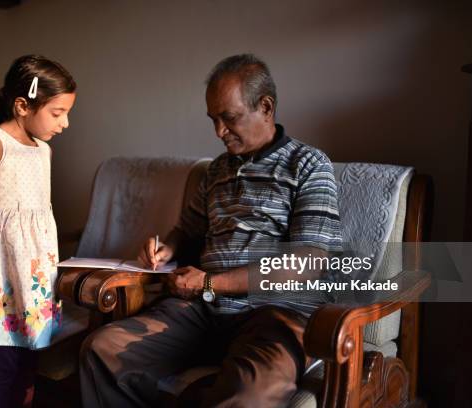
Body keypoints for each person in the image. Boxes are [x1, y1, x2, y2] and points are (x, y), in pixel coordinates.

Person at [80, 54, 342, 407]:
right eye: (214, 120)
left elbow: (307, 264)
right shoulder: (216, 170)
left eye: (229, 118)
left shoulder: (308, 165)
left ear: (266, 107)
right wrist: (167, 248)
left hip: (274, 314)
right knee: (102, 349)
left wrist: (209, 282)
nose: (219, 131)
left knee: (250, 394)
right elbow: (186, 231)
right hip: (203, 309)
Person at [0, 54, 76, 407]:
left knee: (29, 353)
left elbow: (38, 217)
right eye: (57, 113)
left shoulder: (45, 152)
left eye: (68, 112)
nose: (65, 123)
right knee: (1, 358)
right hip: (1, 271)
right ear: (23, 105)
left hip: (33, 273)